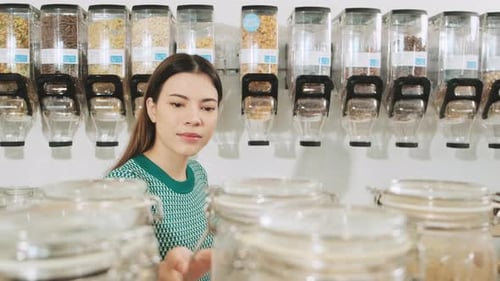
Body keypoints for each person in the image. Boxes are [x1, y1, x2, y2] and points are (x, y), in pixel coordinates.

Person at [106, 53, 222, 280]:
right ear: (152, 109)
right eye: (178, 104)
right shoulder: (124, 183)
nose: (194, 118)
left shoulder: (198, 174)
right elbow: (115, 269)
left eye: (207, 108)